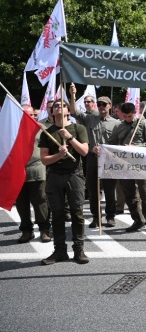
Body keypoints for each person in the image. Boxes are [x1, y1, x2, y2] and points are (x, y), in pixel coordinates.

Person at [38, 101, 90, 264]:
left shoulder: (78, 128)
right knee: (57, 213)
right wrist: (60, 155)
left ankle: (79, 249)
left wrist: (70, 137)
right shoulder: (47, 132)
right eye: (55, 106)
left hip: (74, 175)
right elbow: (44, 160)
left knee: (77, 212)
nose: (59, 107)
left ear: (68, 110)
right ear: (52, 112)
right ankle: (60, 250)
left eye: (62, 105)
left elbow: (84, 151)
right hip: (54, 175)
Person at [69, 87, 119, 228]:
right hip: (92, 158)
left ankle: (110, 216)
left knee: (109, 189)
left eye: (104, 104)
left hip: (108, 160)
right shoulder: (90, 118)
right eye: (100, 104)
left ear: (110, 106)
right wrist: (73, 95)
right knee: (93, 189)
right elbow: (73, 112)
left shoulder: (116, 124)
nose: (102, 106)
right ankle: (96, 217)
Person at [107, 102, 146, 232]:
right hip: (124, 165)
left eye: (129, 116)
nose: (127, 118)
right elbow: (111, 143)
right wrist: (101, 148)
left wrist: (136, 147)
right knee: (129, 194)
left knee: (145, 194)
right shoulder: (119, 126)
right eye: (125, 116)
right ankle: (137, 219)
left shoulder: (144, 124)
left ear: (134, 113)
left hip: (141, 164)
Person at [16, 105, 51, 244]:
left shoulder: (42, 129)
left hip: (37, 170)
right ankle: (26, 230)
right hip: (18, 171)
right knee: (21, 203)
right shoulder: (12, 129)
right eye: (27, 115)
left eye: (33, 115)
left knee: (40, 201)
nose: (31, 117)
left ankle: (44, 230)